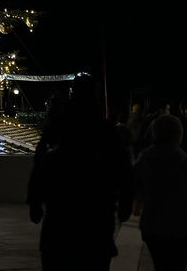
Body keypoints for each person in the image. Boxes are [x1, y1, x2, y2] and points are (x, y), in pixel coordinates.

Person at [27, 73, 134, 271]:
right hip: (97, 213)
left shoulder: (59, 125)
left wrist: (34, 200)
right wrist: (126, 201)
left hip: (62, 212)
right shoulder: (106, 129)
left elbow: (40, 162)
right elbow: (123, 168)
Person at [134, 113, 187, 270]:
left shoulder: (144, 160)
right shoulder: (183, 161)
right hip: (179, 226)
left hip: (152, 224)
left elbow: (138, 189)